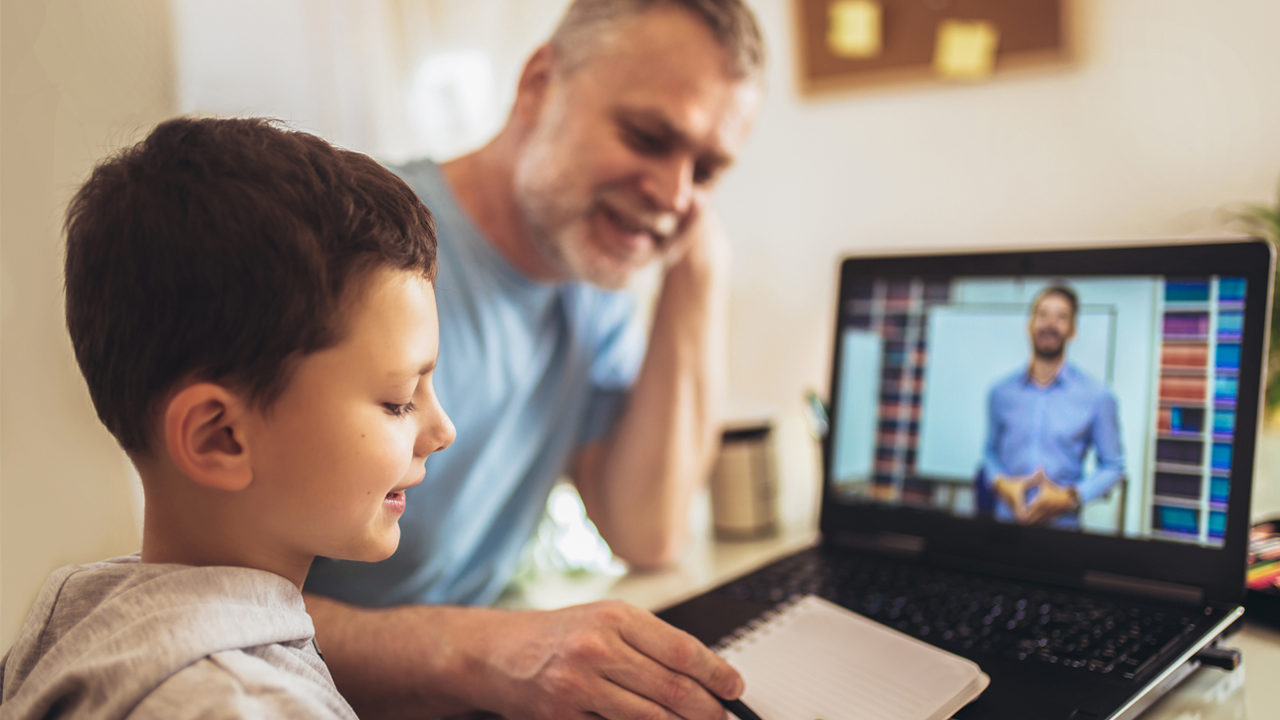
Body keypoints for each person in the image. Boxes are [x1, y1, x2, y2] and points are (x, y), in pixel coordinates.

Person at [300, 1, 765, 718]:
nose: (674, 195)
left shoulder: (593, 281)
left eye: (705, 171)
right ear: (539, 84)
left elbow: (648, 531)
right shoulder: (353, 241)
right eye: (646, 136)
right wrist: (481, 653)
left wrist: (698, 273)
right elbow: (213, 598)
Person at [0, 117, 457, 718]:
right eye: (399, 400)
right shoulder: (236, 704)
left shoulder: (76, 621)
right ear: (220, 436)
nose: (442, 430)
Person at [983, 285, 1125, 529]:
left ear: (1073, 330)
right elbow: (989, 452)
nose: (1049, 324)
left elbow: (1113, 466)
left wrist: (1071, 497)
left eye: (1061, 317)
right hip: (1003, 530)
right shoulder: (1000, 392)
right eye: (1042, 315)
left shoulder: (1098, 397)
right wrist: (1001, 483)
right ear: (1029, 325)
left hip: (1062, 535)